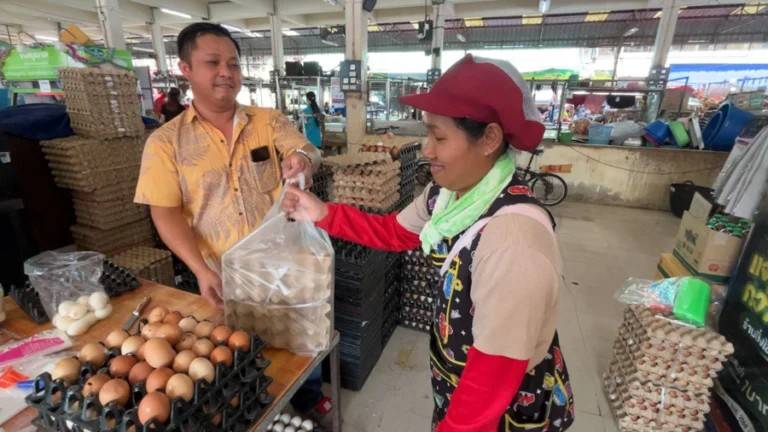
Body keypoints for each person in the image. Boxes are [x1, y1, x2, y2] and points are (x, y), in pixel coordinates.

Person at [282, 55, 574, 432]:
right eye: (428, 134)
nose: (426, 150)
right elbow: (393, 232)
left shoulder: (514, 244)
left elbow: (491, 379)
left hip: (502, 412)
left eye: (439, 137)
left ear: (489, 139)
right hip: (458, 386)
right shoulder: (447, 196)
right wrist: (321, 212)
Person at [133, 22, 332, 422]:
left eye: (233, 64)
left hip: (285, 263)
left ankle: (308, 400)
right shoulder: (166, 143)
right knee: (240, 350)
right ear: (185, 69)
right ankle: (264, 410)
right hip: (223, 274)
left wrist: (302, 160)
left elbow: (305, 148)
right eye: (213, 63)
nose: (226, 72)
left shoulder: (267, 120)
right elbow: (165, 212)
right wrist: (200, 269)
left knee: (300, 338)